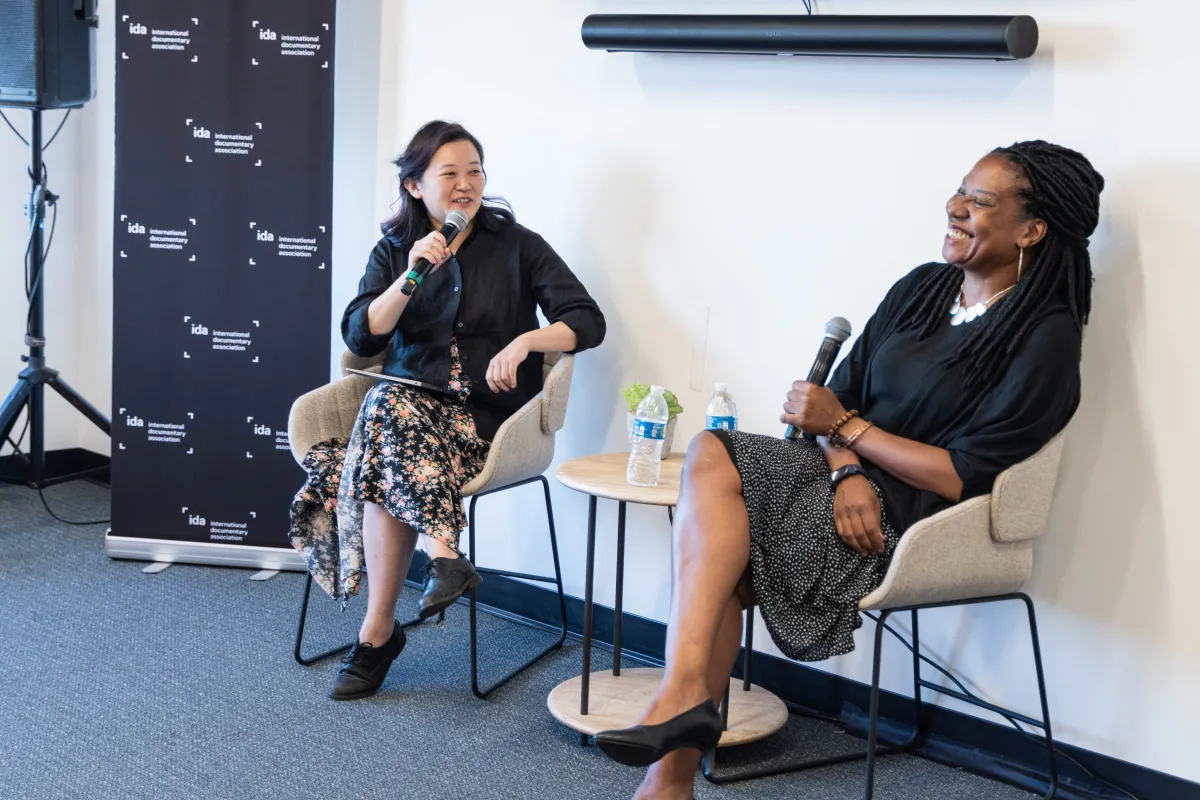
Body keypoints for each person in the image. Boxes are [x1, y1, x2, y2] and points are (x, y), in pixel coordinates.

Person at [593, 140, 1104, 799]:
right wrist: (845, 465)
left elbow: (961, 475)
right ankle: (679, 720)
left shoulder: (1045, 337)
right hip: (838, 482)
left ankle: (672, 758)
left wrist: (846, 433)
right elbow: (840, 404)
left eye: (979, 202)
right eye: (958, 191)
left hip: (912, 517)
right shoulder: (923, 288)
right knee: (710, 458)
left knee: (720, 556)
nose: (954, 208)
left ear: (1031, 229)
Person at [325, 120, 605, 700]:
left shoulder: (516, 244)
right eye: (448, 173)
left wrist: (528, 341)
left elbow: (587, 320)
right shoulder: (396, 250)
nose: (464, 184)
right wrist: (409, 277)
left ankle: (380, 633)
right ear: (414, 186)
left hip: (486, 422)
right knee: (390, 411)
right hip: (408, 416)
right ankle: (442, 559)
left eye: (474, 171)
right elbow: (361, 335)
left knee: (381, 429)